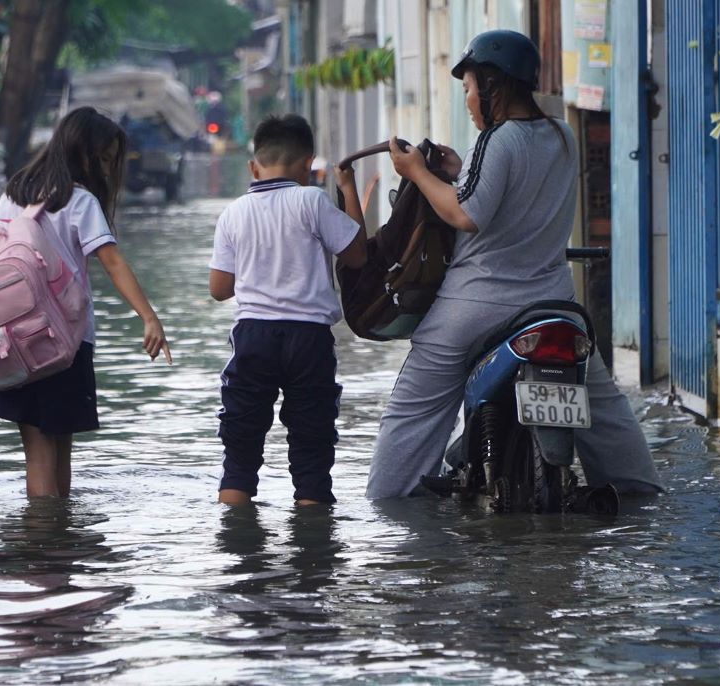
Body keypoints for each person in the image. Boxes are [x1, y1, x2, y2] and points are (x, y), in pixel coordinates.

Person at [366, 30, 664, 499]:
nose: (467, 101)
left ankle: (390, 508)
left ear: (492, 86)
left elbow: (466, 213)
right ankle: (642, 495)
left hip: (474, 306)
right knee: (604, 407)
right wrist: (461, 169)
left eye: (468, 89)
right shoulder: (560, 135)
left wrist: (418, 172)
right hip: (553, 303)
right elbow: (510, 189)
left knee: (414, 410)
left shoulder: (496, 139)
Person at [0, 106, 172, 499]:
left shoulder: (13, 194)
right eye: (105, 159)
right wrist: (149, 317)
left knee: (38, 451)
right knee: (57, 450)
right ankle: (53, 544)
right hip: (64, 341)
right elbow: (111, 261)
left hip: (14, 338)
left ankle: (47, 544)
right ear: (83, 152)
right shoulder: (79, 201)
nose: (108, 170)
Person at [208, 113, 367, 506]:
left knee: (240, 454)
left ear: (253, 165)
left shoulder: (233, 213)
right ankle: (314, 557)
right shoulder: (311, 200)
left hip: (253, 337)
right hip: (308, 338)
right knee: (312, 452)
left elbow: (219, 289)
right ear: (307, 163)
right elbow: (358, 255)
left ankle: (236, 550)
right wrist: (348, 191)